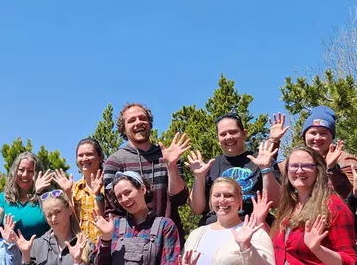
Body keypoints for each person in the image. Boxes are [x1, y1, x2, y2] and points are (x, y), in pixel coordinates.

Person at [100, 103, 191, 241]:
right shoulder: (114, 162)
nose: (138, 123)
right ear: (123, 129)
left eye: (142, 118)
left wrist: (171, 165)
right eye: (131, 120)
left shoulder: (167, 155)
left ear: (149, 123)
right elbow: (113, 211)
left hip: (169, 239)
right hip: (133, 243)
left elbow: (180, 199)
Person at [187, 114, 272, 224]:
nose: (228, 137)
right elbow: (197, 209)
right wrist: (199, 177)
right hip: (215, 227)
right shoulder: (209, 165)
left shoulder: (261, 160)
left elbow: (276, 202)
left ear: (244, 133)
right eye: (223, 134)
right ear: (218, 139)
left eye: (233, 132)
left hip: (252, 225)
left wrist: (265, 169)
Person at [260, 108, 355, 204]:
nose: (317, 138)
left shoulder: (345, 159)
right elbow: (268, 175)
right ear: (304, 136)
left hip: (334, 214)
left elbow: (351, 194)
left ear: (332, 137)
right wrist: (273, 142)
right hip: (299, 214)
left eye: (323, 133)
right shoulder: (296, 161)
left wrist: (332, 169)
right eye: (313, 133)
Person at [0, 152, 50, 238]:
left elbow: (54, 220)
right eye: (21, 170)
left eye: (30, 171)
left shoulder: (48, 195)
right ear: (14, 171)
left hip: (41, 249)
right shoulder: (2, 198)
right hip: (10, 249)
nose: (25, 174)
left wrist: (39, 193)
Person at [71, 139, 106, 249]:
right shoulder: (73, 189)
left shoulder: (110, 186)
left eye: (89, 154)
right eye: (80, 155)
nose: (84, 159)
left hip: (106, 250)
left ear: (100, 157)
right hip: (81, 253)